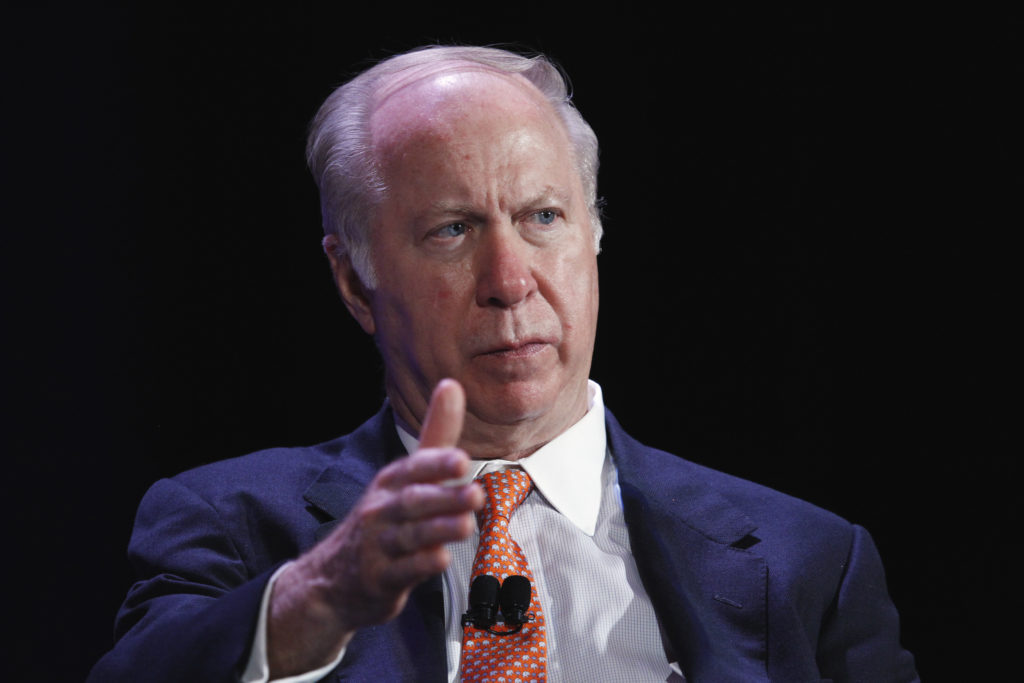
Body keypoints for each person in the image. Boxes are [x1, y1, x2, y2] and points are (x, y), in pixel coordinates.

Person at [90, 45, 918, 682]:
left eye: (543, 216)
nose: (510, 281)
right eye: (452, 229)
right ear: (353, 279)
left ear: (594, 237)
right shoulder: (231, 524)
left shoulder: (808, 561)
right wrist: (320, 596)